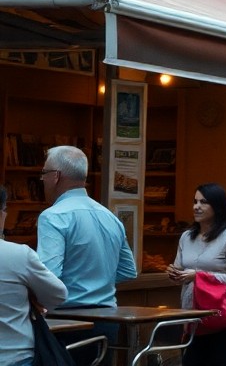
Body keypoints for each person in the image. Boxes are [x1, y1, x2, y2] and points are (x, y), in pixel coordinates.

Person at [37, 145, 136, 362]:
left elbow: (48, 276)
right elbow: (129, 270)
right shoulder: (109, 216)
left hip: (66, 321)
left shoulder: (53, 217)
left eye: (44, 173)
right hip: (108, 319)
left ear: (56, 176)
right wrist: (97, 279)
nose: (42, 179)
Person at [168, 184, 226, 366]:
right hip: (193, 317)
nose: (197, 206)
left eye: (203, 202)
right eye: (195, 201)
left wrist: (198, 276)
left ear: (218, 206)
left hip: (225, 317)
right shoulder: (186, 236)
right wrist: (175, 274)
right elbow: (181, 271)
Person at [2, 186, 69, 366]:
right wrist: (34, 301)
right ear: (1, 215)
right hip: (15, 356)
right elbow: (58, 294)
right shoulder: (19, 255)